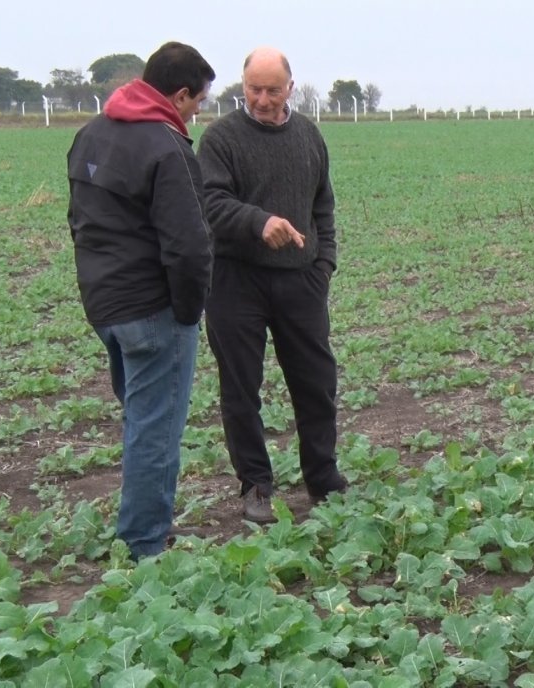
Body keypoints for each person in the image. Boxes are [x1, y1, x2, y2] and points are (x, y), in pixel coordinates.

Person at [67, 42, 215, 559]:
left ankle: (147, 526)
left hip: (105, 305)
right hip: (153, 311)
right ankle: (144, 543)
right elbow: (190, 247)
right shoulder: (166, 147)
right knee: (156, 426)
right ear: (178, 95)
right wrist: (189, 311)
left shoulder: (92, 134)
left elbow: (78, 222)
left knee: (140, 418)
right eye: (197, 101)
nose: (197, 111)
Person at [197, 46, 345, 523]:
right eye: (253, 89)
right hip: (235, 280)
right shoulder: (220, 139)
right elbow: (210, 203)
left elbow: (323, 207)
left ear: (290, 88)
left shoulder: (308, 136)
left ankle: (323, 479)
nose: (262, 99)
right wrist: (257, 222)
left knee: (317, 383)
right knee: (241, 390)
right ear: (243, 87)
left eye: (272, 90)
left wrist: (323, 266)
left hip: (301, 281)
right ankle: (256, 486)